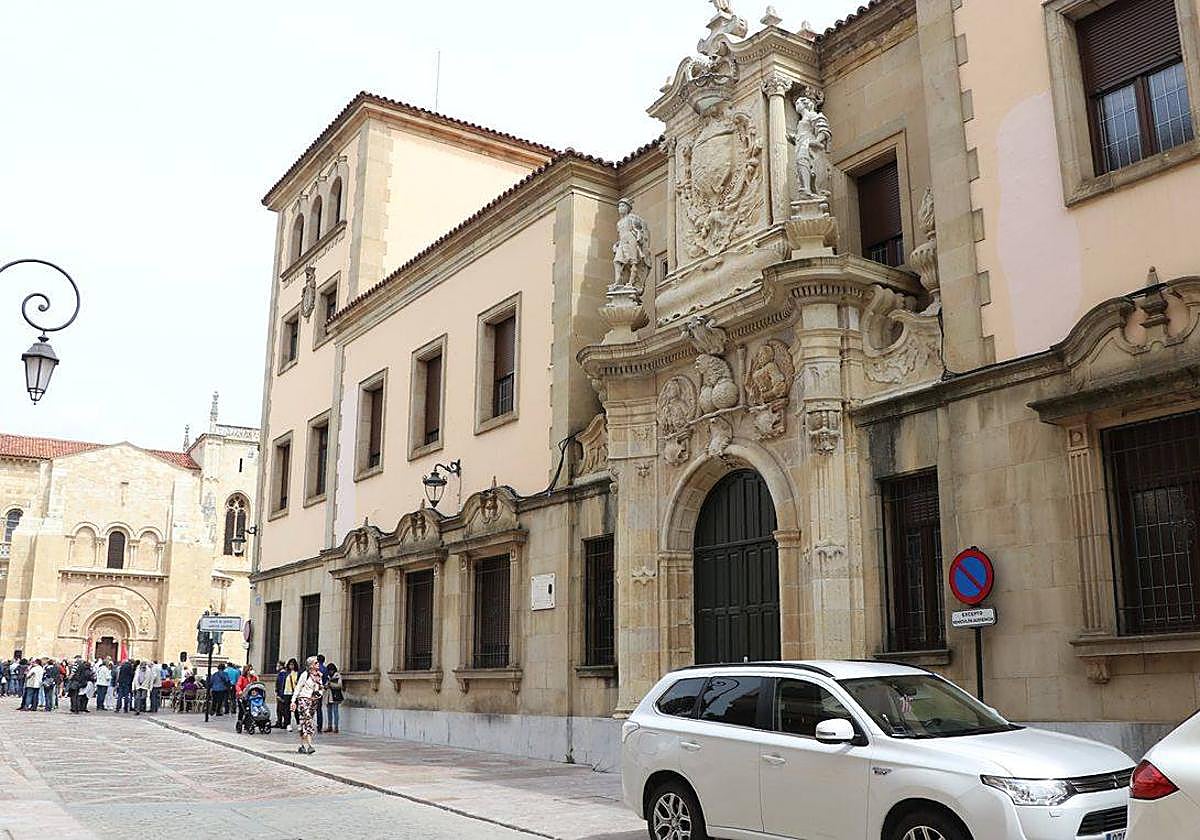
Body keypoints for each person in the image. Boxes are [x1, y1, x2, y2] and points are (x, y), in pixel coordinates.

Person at [290, 656, 323, 755]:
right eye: (316, 663)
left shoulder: (318, 676)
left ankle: (302, 745)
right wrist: (293, 701)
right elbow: (298, 687)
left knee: (305, 722)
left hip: (313, 700)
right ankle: (309, 745)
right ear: (311, 665)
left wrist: (319, 693)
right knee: (308, 720)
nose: (318, 665)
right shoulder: (305, 674)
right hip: (303, 699)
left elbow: (320, 688)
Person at [280, 659, 299, 731]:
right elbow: (282, 684)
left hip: (294, 693)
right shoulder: (286, 673)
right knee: (287, 710)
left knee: (296, 709)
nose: (291, 666)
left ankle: (298, 724)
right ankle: (288, 724)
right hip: (286, 693)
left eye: (293, 664)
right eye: (290, 664)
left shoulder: (297, 673)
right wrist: (280, 694)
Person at [324, 663, 343, 734]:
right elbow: (326, 684)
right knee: (329, 712)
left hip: (335, 696)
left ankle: (336, 727)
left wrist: (331, 684)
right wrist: (326, 686)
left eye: (331, 670)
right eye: (329, 670)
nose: (330, 672)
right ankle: (329, 726)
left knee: (335, 711)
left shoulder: (337, 676)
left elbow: (340, 685)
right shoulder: (328, 676)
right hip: (329, 696)